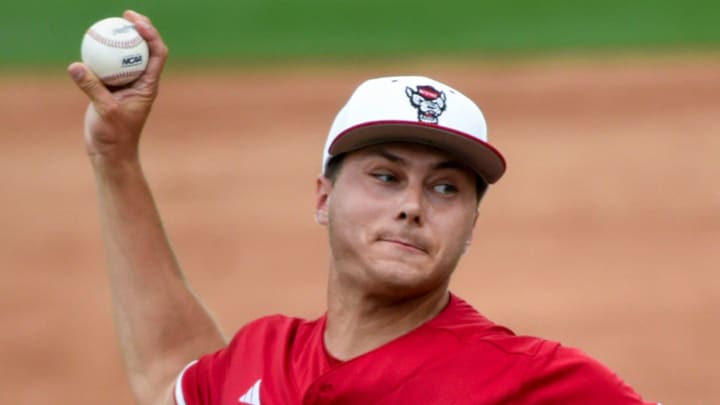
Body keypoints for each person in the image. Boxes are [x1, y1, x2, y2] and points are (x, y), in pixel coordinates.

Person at [68, 10, 658, 405]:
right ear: (323, 198)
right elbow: (170, 372)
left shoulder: (531, 382)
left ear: (471, 228)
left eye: (446, 188)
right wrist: (114, 156)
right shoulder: (261, 356)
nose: (412, 206)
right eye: (385, 175)